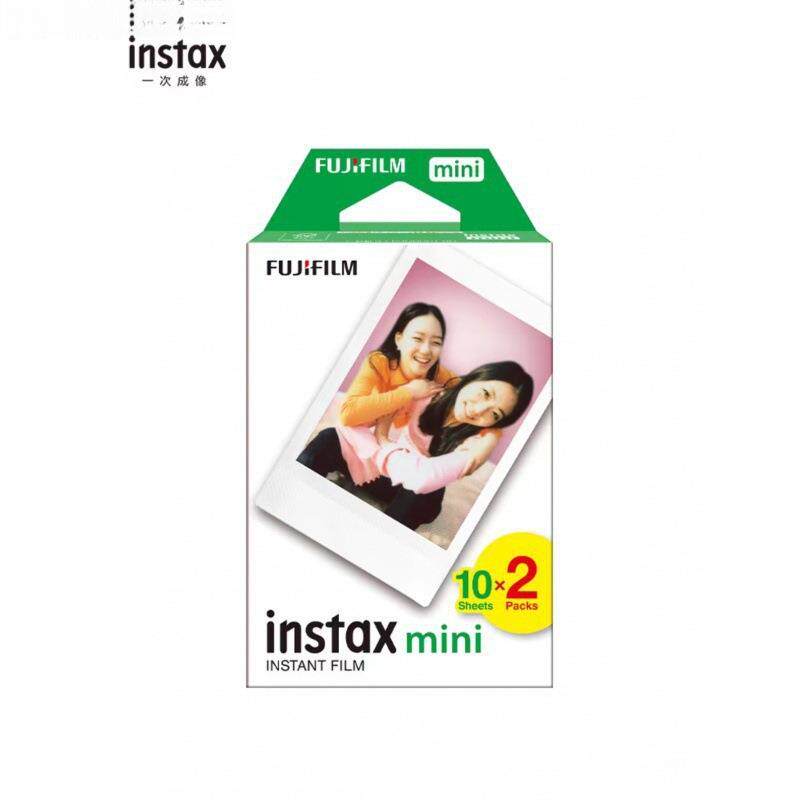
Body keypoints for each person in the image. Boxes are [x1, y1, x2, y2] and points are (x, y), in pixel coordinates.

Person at [298, 302, 455, 479]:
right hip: (363, 446)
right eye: (418, 339)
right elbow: (348, 414)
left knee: (433, 484)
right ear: (399, 339)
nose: (426, 350)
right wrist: (408, 392)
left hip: (398, 462)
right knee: (327, 438)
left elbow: (475, 398)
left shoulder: (442, 377)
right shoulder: (379, 362)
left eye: (436, 342)